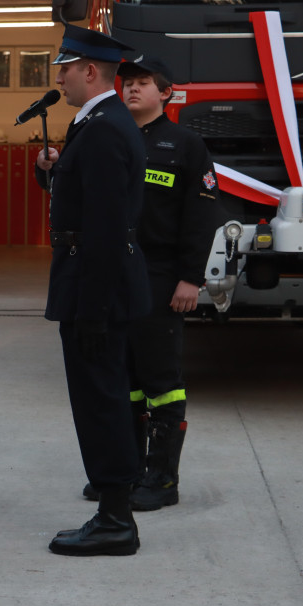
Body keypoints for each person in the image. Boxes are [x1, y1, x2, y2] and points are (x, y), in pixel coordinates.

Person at [80, 55, 220, 511]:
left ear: (167, 93)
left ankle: (162, 480)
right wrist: (49, 172)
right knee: (124, 379)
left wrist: (189, 279)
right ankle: (127, 474)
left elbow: (200, 218)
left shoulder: (185, 144)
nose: (133, 89)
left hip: (162, 276)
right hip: (116, 273)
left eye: (144, 83)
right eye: (128, 83)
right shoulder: (110, 135)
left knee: (161, 379)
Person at [35, 25, 151, 557]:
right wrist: (56, 174)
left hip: (94, 282)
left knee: (100, 401)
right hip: (93, 278)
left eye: (66, 67)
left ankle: (114, 520)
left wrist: (94, 310)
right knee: (105, 398)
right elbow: (92, 201)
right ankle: (113, 511)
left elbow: (105, 228)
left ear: (90, 72)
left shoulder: (102, 128)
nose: (59, 76)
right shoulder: (100, 123)